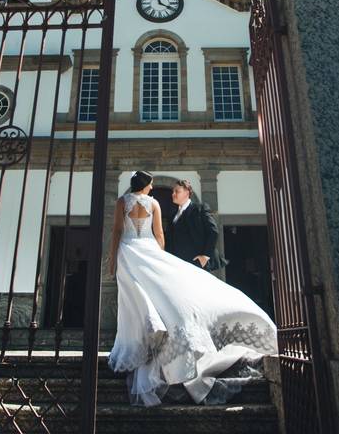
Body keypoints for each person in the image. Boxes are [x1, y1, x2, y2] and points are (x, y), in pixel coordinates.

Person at [107, 170, 277, 407]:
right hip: (149, 250)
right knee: (155, 295)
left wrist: (111, 258)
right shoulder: (154, 203)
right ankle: (154, 335)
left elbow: (116, 231)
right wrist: (160, 258)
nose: (153, 188)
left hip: (127, 251)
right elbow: (159, 235)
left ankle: (133, 346)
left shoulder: (121, 202)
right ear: (146, 186)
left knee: (132, 300)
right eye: (151, 185)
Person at [165, 179, 227, 272]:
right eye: (173, 191)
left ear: (187, 193)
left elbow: (213, 231)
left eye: (177, 191)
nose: (173, 194)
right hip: (177, 265)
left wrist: (205, 256)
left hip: (197, 263)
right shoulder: (173, 214)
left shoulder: (200, 209)